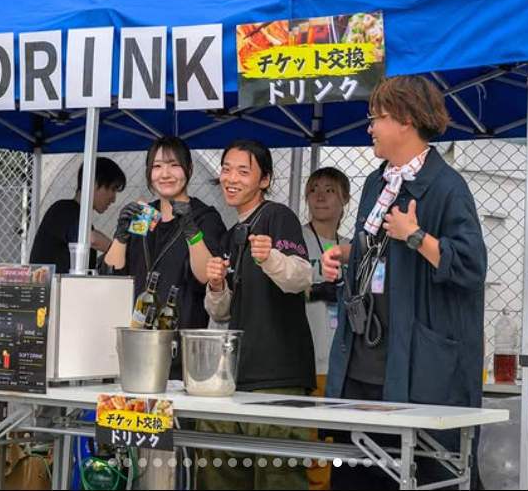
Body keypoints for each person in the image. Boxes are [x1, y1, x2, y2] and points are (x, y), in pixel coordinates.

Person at [321, 75, 487, 490]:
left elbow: (471, 266)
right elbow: (378, 250)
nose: (370, 128)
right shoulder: (376, 182)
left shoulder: (448, 187)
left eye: (376, 118)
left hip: (418, 370)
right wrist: (344, 253)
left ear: (406, 121)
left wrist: (416, 236)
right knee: (355, 473)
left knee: (427, 472)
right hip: (362, 358)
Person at [198, 139, 315, 491]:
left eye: (243, 171)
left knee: (280, 480)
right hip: (234, 377)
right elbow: (221, 313)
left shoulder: (278, 216)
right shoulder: (230, 234)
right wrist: (216, 285)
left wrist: (270, 258)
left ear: (264, 180)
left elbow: (301, 277)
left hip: (279, 376)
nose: (231, 178)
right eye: (226, 169)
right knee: (221, 477)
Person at [104, 136, 226, 378]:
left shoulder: (204, 217)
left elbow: (206, 276)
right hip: (135, 347)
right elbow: (112, 277)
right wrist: (121, 235)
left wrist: (191, 230)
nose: (165, 174)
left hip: (180, 352)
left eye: (174, 165)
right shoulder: (144, 215)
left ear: (189, 169)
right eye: (157, 166)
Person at [303, 167, 351, 491]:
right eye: (314, 189)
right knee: (311, 449)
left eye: (330, 190)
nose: (320, 196)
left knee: (337, 449)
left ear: (345, 199)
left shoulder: (352, 247)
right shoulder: (296, 239)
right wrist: (313, 290)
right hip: (308, 359)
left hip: (343, 364)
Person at [29, 157, 125, 274]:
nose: (113, 199)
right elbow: (91, 239)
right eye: (112, 189)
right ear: (93, 183)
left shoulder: (80, 218)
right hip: (50, 284)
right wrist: (120, 251)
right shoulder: (64, 209)